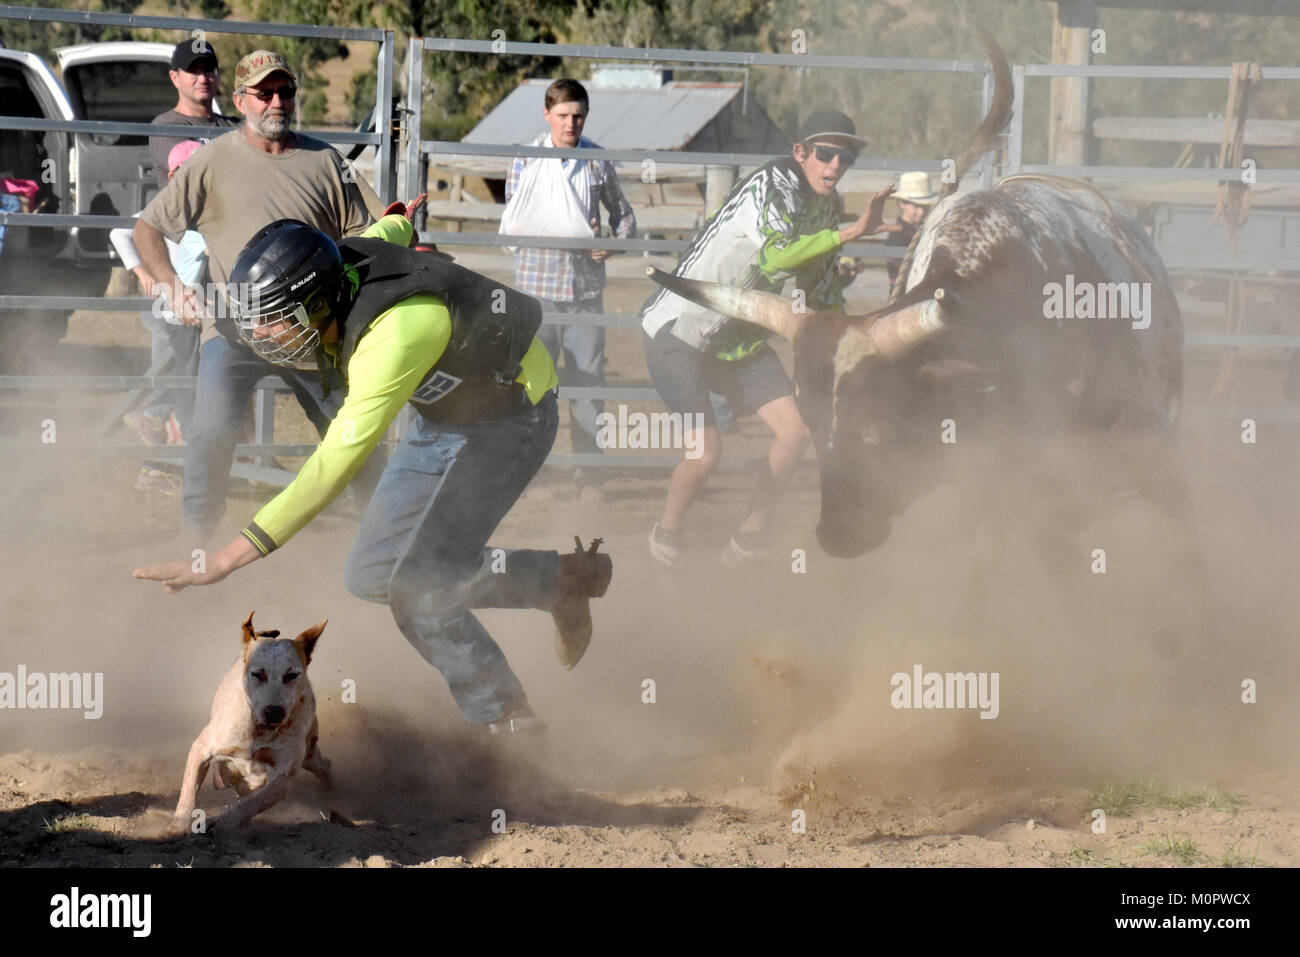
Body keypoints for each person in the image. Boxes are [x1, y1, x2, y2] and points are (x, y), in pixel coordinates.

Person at [134, 213, 613, 734]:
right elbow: (387, 234)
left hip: (512, 420)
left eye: (272, 317)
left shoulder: (397, 336)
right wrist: (398, 217)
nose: (259, 333)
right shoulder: (339, 260)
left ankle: (513, 725)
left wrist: (224, 560)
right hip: (447, 415)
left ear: (318, 303)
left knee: (419, 591)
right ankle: (560, 580)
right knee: (371, 574)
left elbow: (334, 463)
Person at [133, 50, 390, 544]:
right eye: (264, 93)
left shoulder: (324, 160)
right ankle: (196, 545)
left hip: (314, 334)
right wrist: (172, 285)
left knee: (352, 435)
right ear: (240, 100)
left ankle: (381, 541)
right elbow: (147, 228)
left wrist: (401, 235)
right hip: (233, 330)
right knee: (209, 433)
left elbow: (370, 233)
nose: (276, 102)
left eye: (285, 92)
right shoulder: (213, 161)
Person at [640, 110, 892, 566]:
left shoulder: (828, 208)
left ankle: (747, 539)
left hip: (739, 340)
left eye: (846, 157)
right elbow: (776, 260)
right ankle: (666, 536)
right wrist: (853, 232)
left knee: (795, 434)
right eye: (826, 153)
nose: (835, 166)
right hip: (680, 330)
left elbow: (819, 289)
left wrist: (850, 349)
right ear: (801, 153)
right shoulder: (771, 185)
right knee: (706, 454)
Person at [503, 78, 637, 503]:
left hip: (583, 293)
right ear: (547, 115)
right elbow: (518, 221)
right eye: (562, 115)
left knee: (586, 384)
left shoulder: (597, 161)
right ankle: (527, 472)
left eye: (578, 115)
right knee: (532, 386)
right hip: (535, 291)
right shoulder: (527, 159)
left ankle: (589, 474)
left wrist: (613, 244)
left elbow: (626, 219)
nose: (570, 123)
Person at [111, 140, 208, 492]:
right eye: (193, 171)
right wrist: (144, 274)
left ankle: (159, 465)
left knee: (182, 381)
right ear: (173, 175)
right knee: (180, 386)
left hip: (190, 311)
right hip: (172, 311)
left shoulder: (202, 208)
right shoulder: (162, 209)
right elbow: (120, 233)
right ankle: (157, 465)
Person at [149, 39, 240, 191]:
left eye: (209, 70)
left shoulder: (235, 125)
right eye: (193, 71)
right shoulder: (164, 127)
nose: (203, 79)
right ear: (174, 77)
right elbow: (195, 175)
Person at [880, 170, 938, 291]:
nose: (921, 212)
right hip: (905, 294)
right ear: (901, 203)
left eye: (925, 206)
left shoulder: (924, 229)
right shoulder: (898, 235)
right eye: (916, 206)